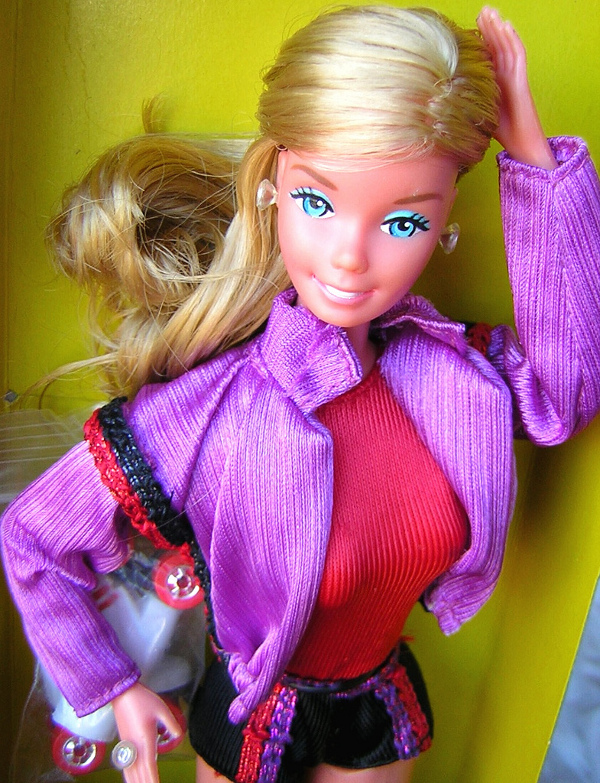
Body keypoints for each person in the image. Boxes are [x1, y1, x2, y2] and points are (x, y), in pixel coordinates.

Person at [2, 5, 600, 783]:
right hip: (255, 716)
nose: (350, 257)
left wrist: (535, 167)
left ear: (446, 217)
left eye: (404, 222)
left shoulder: (452, 379)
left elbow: (566, 393)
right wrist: (109, 684)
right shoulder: (208, 412)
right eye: (317, 202)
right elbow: (34, 537)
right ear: (273, 186)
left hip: (379, 707)